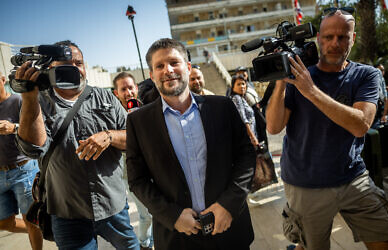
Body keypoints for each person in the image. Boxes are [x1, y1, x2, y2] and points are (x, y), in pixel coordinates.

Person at [266, 9, 388, 250]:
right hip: (305, 183)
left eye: (342, 37)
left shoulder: (366, 75)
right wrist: (280, 83)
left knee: (385, 240)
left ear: (353, 38)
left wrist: (311, 91)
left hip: (353, 177)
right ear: (318, 39)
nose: (334, 43)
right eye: (328, 37)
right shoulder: (298, 75)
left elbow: (360, 126)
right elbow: (274, 127)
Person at [126, 38, 255, 250]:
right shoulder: (138, 122)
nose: (168, 70)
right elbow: (137, 180)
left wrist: (229, 205)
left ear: (187, 67)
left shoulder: (222, 107)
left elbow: (246, 157)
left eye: (174, 62)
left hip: (229, 229)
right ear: (151, 75)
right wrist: (172, 216)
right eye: (159, 66)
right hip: (177, 238)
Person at [14, 40, 140, 250]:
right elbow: (32, 149)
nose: (74, 68)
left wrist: (109, 136)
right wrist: (29, 98)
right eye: (65, 64)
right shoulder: (38, 102)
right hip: (68, 214)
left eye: (78, 63)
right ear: (50, 70)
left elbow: (134, 139)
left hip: (113, 206)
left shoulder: (106, 97)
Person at [0, 70, 43, 250]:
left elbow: (36, 130)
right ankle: (38, 228)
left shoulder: (18, 100)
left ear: (3, 79)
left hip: (22, 169)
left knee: (30, 220)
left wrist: (13, 127)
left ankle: (35, 231)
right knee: (4, 223)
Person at [113, 72, 154, 250]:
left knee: (157, 211)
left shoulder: (146, 108)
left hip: (153, 168)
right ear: (116, 93)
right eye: (123, 89)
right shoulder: (112, 115)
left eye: (131, 87)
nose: (128, 92)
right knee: (146, 213)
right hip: (130, 172)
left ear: (136, 88)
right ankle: (144, 242)